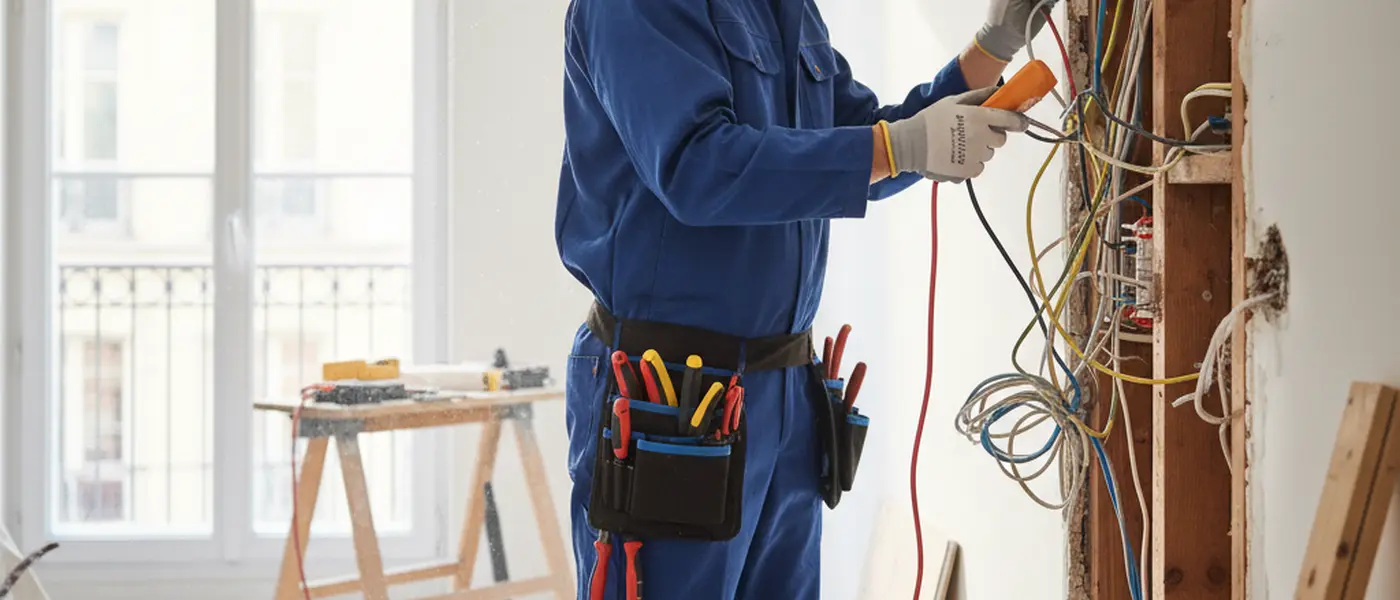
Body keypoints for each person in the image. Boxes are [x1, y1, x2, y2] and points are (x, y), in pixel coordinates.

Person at [555, 0, 1056, 598]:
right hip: (667, 395)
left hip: (782, 392)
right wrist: (897, 147)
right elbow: (698, 167)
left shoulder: (783, 8)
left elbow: (861, 143)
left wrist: (991, 48)